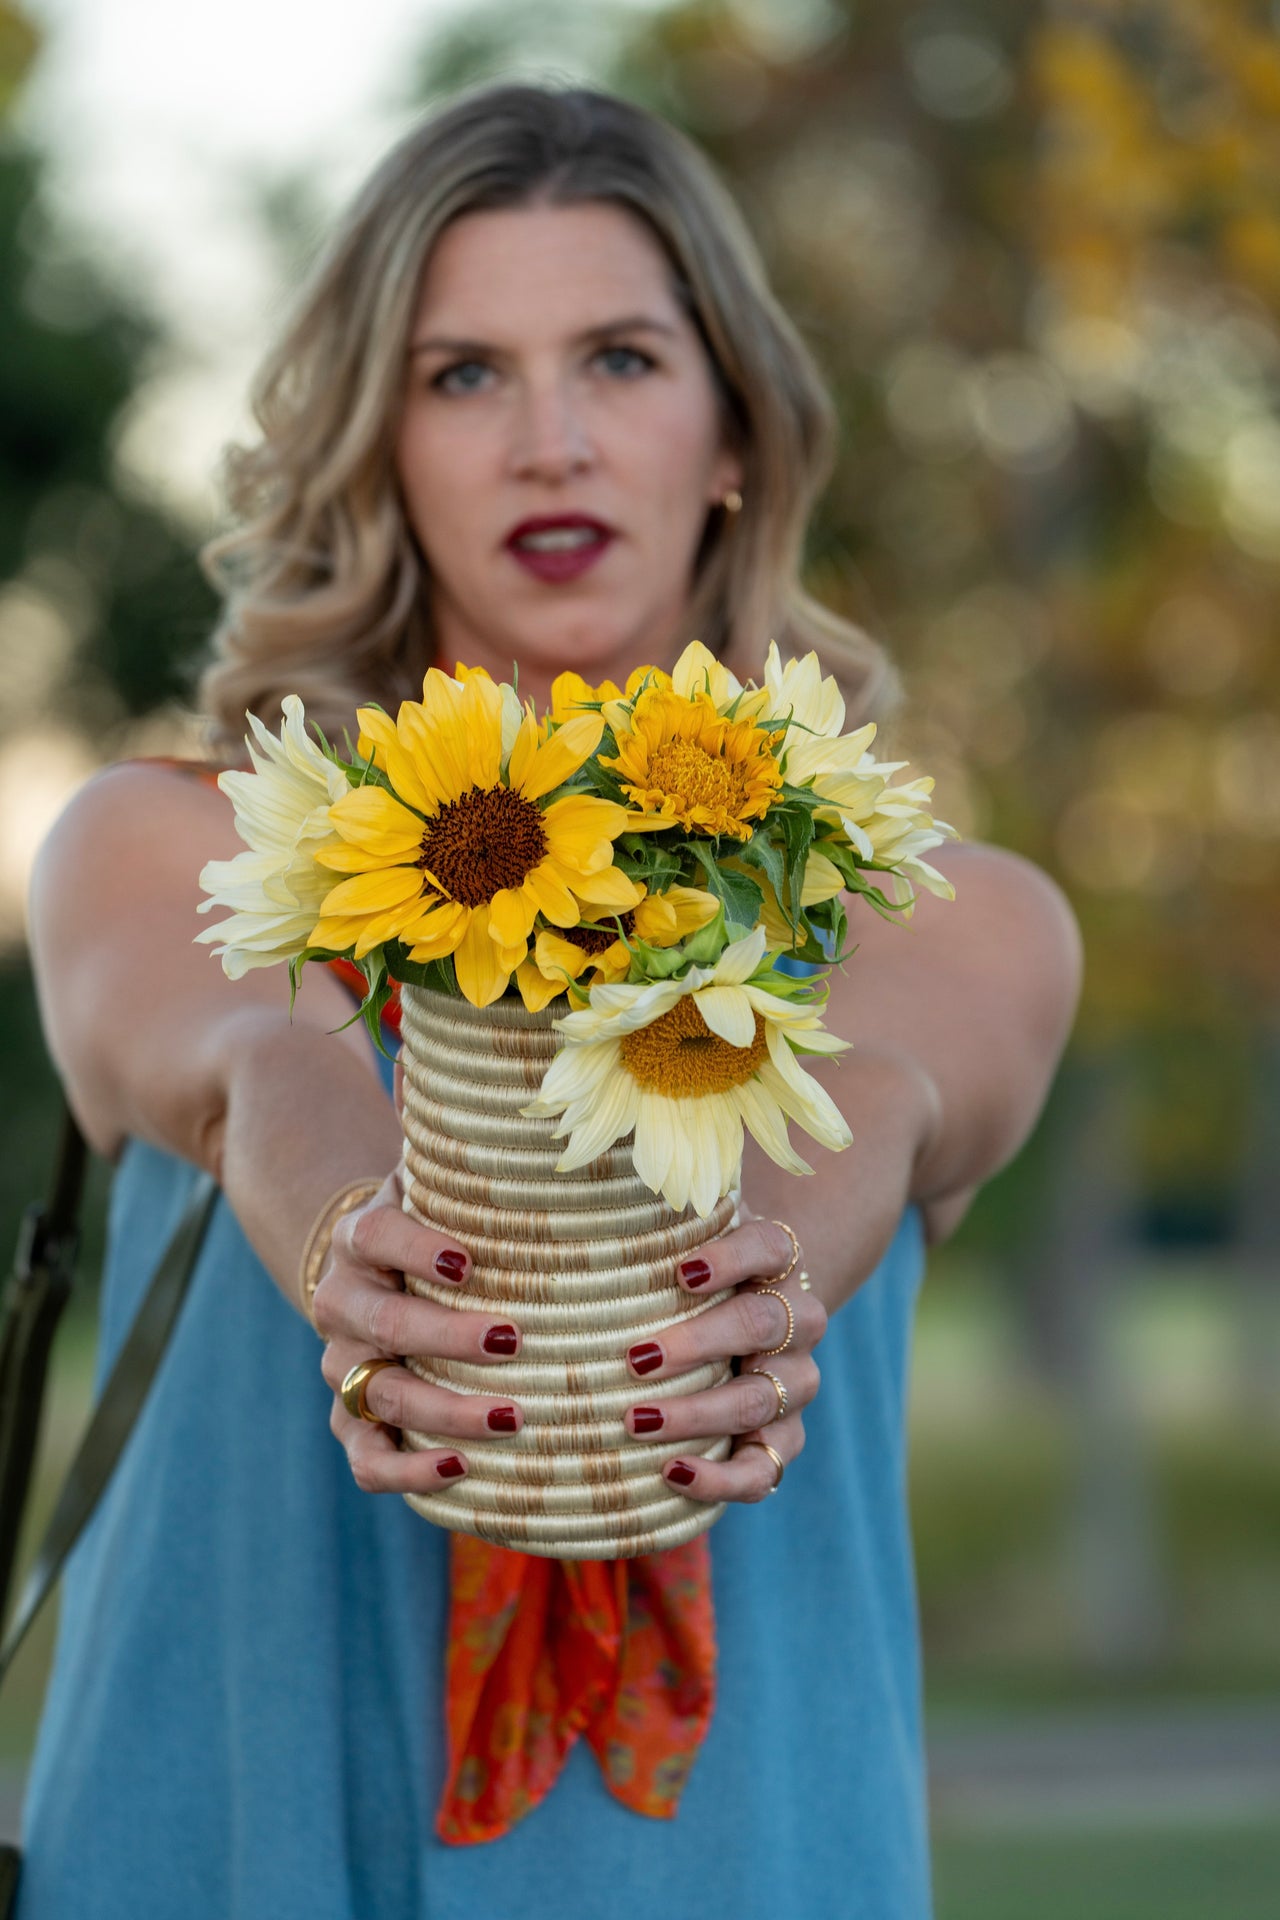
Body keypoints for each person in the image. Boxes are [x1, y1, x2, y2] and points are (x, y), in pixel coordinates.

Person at [20, 83, 1080, 1920]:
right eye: (464, 376)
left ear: (734, 429)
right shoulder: (163, 841)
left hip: (743, 1860)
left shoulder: (949, 911)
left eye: (619, 359)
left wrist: (727, 1314)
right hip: (225, 1836)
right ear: (380, 445)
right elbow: (254, 1050)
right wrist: (359, 1231)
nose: (551, 443)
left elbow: (872, 1091)